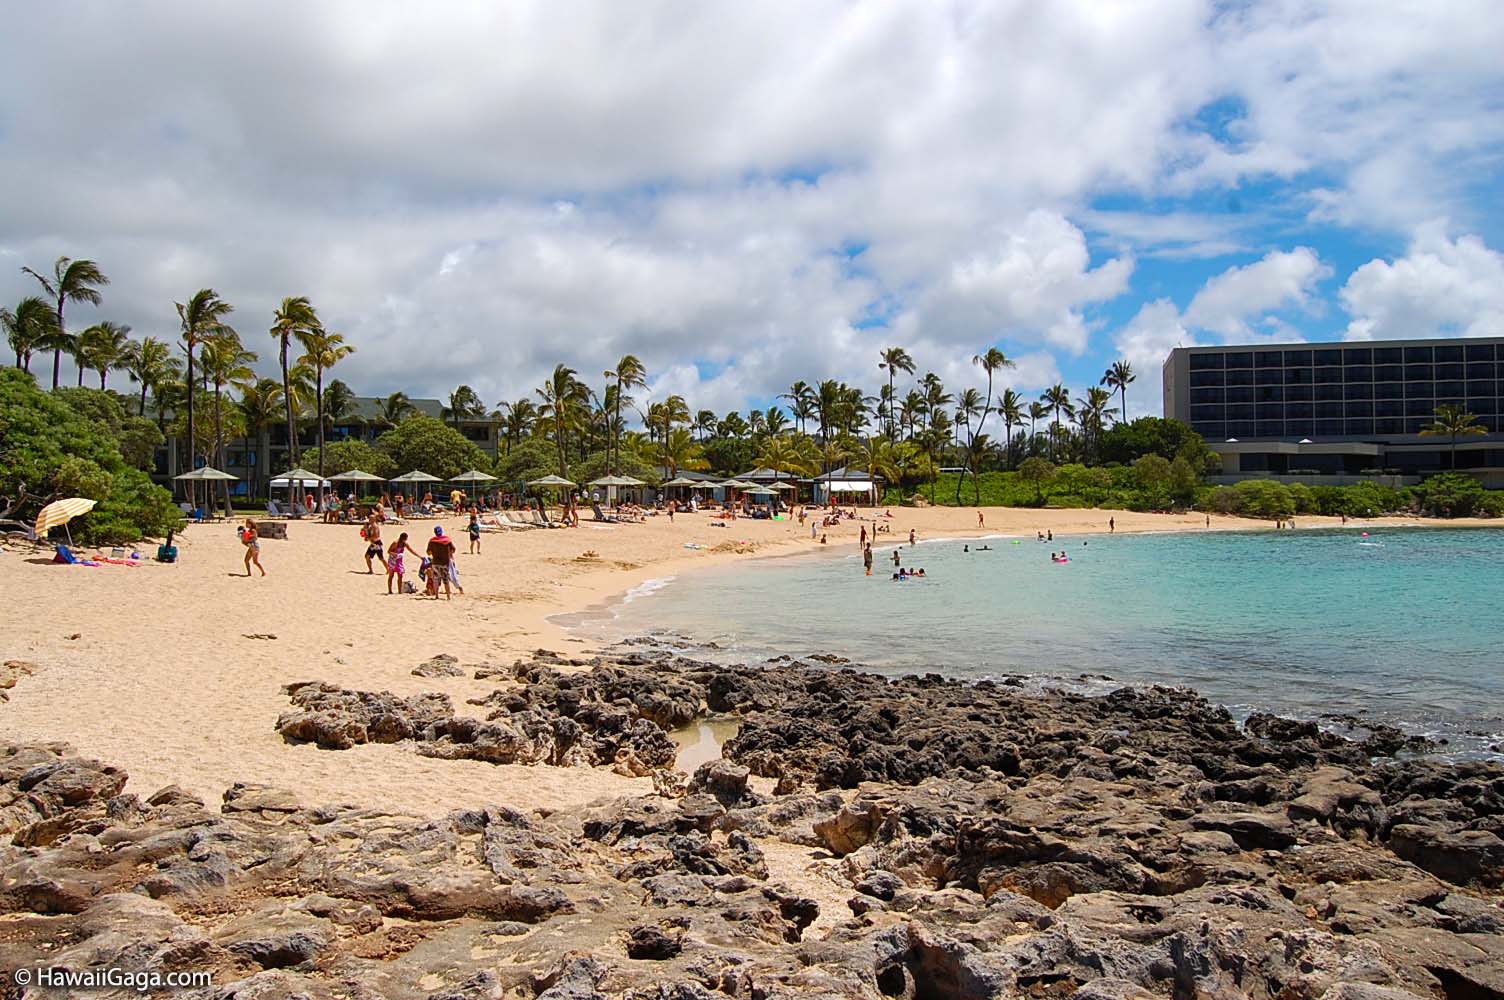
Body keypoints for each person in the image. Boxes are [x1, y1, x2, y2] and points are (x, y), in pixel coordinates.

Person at [426, 526, 456, 600]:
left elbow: (428, 552)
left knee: (436, 579)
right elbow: (453, 550)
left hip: (435, 562)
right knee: (446, 580)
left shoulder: (432, 541)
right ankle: (448, 596)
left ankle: (436, 595)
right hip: (445, 563)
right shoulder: (447, 540)